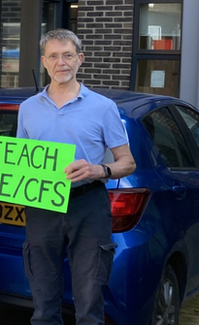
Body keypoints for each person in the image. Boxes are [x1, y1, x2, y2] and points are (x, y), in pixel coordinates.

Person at [17, 29, 135, 325]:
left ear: (80, 59)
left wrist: (100, 170)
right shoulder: (27, 108)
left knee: (90, 302)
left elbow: (128, 163)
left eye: (68, 55)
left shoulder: (103, 107)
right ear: (44, 61)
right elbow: (18, 164)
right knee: (43, 304)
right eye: (54, 56)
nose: (62, 62)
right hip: (42, 206)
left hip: (88, 204)